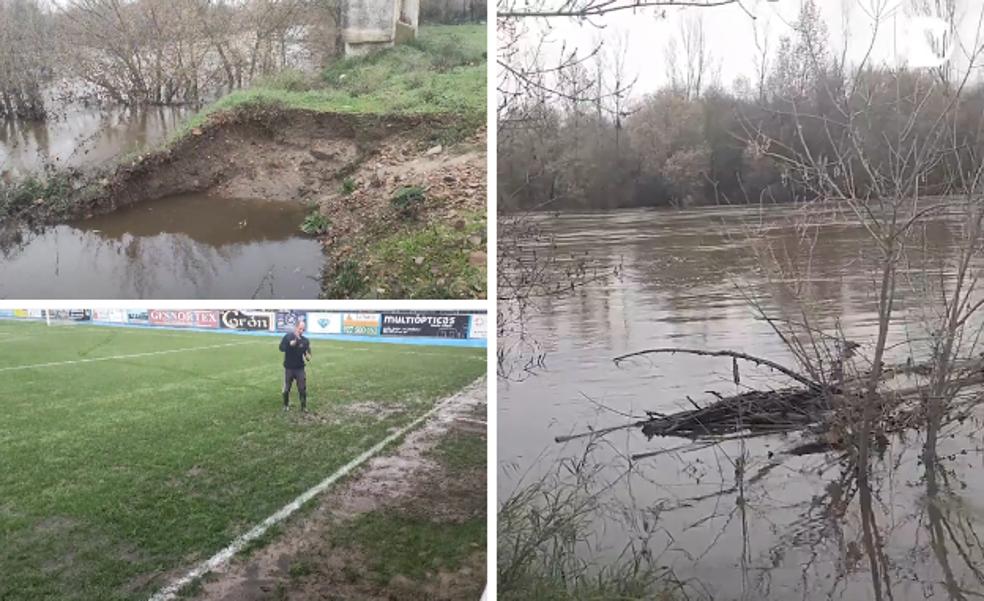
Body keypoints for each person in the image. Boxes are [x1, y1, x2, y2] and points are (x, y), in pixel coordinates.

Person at [279, 320, 311, 411]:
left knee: (302, 388)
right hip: (288, 368)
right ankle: (285, 405)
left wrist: (308, 356)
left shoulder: (305, 340)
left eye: (303, 329)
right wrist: (290, 345)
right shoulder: (287, 337)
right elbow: (281, 348)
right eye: (300, 329)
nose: (301, 331)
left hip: (299, 368)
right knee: (286, 388)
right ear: (295, 328)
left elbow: (308, 354)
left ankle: (303, 406)